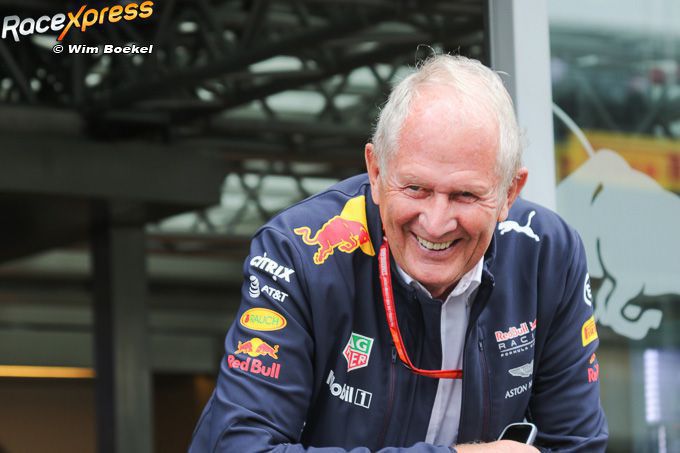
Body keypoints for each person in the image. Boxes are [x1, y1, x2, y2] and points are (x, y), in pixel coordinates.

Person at [189, 54, 608, 452]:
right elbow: (241, 446)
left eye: (465, 195)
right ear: (375, 172)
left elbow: (576, 445)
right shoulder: (299, 251)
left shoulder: (548, 256)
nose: (436, 223)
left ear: (509, 193)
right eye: (416, 189)